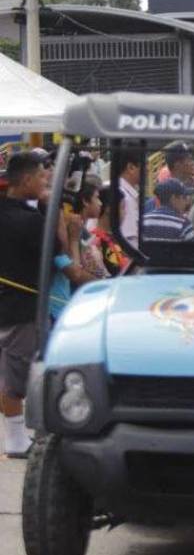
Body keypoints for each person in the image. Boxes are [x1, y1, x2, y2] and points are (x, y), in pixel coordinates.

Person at [0, 152, 92, 459]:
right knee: (17, 373)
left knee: (14, 370)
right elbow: (58, 251)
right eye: (41, 177)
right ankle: (14, 438)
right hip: (19, 306)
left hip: (15, 304)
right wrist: (55, 217)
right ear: (25, 180)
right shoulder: (29, 220)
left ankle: (16, 434)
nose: (46, 181)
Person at [114, 149, 143, 249]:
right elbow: (130, 241)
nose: (147, 169)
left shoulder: (119, 189)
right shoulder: (125, 197)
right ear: (130, 167)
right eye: (144, 165)